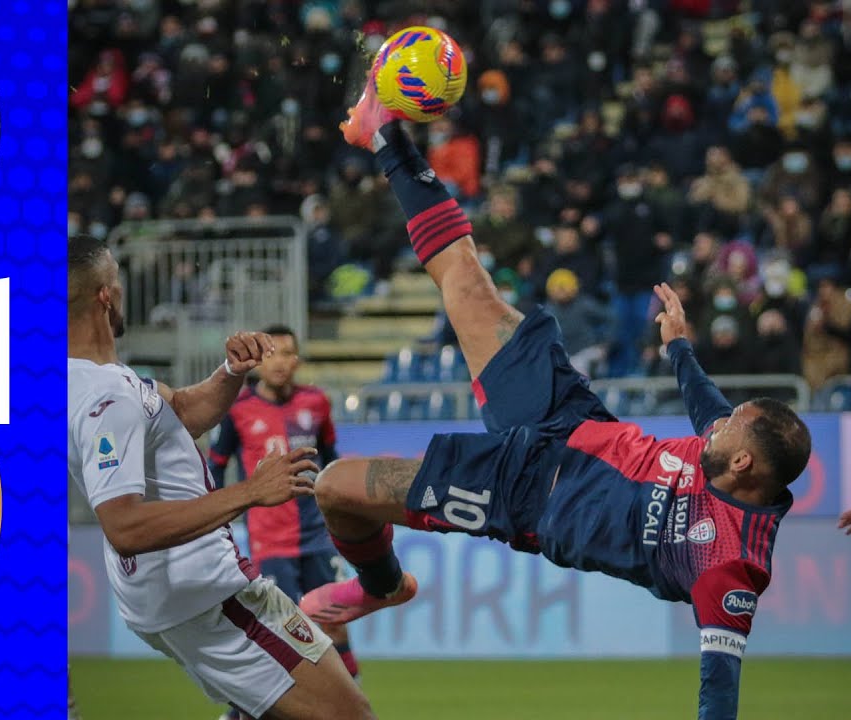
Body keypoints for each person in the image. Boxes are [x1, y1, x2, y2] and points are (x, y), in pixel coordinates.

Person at [300, 75, 813, 720]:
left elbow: (718, 686)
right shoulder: (725, 449)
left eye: (735, 424)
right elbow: (706, 401)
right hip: (566, 416)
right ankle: (383, 133)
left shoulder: (730, 566)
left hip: (525, 494)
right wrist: (679, 346)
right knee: (467, 281)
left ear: (744, 464)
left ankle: (378, 585)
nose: (721, 423)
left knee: (334, 488)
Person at [66, 235, 375, 720]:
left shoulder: (100, 381)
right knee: (349, 714)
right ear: (105, 294)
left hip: (178, 594)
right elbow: (124, 527)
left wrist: (231, 370)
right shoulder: (106, 398)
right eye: (119, 282)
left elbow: (186, 410)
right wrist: (250, 492)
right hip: (208, 593)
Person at [208, 325, 360, 720]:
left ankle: (352, 705)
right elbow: (215, 469)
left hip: (318, 538)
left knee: (335, 625)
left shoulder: (317, 402)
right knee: (282, 638)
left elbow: (331, 460)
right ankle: (239, 711)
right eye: (273, 353)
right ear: (260, 362)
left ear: (298, 360)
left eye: (290, 353)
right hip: (270, 542)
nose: (282, 362)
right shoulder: (238, 410)